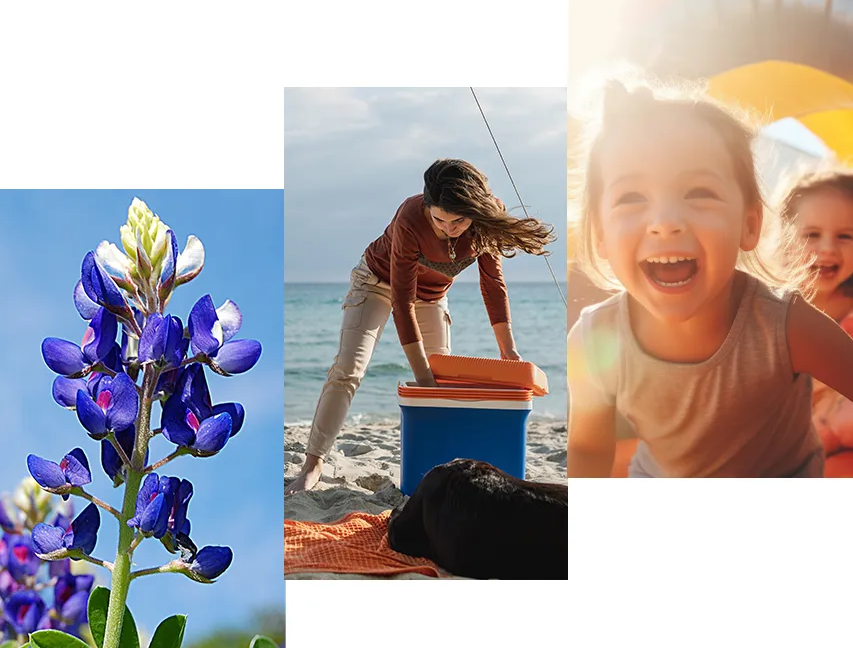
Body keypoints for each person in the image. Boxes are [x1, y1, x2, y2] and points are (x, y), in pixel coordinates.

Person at [567, 78, 853, 478]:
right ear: (599, 234)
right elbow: (587, 448)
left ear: (749, 224)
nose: (665, 223)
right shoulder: (594, 338)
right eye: (632, 197)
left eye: (699, 191)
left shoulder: (783, 326)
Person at [286, 158, 556, 493]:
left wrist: (509, 351)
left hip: (432, 296)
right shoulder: (411, 215)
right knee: (348, 369)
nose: (448, 228)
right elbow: (401, 300)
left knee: (443, 382)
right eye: (440, 219)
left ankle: (440, 468)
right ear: (428, 207)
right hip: (376, 283)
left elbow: (492, 284)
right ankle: (313, 465)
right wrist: (423, 376)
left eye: (458, 220)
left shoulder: (487, 220)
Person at [779, 167, 853, 459]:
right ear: (785, 237)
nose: (827, 249)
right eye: (811, 234)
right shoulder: (772, 309)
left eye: (846, 236)